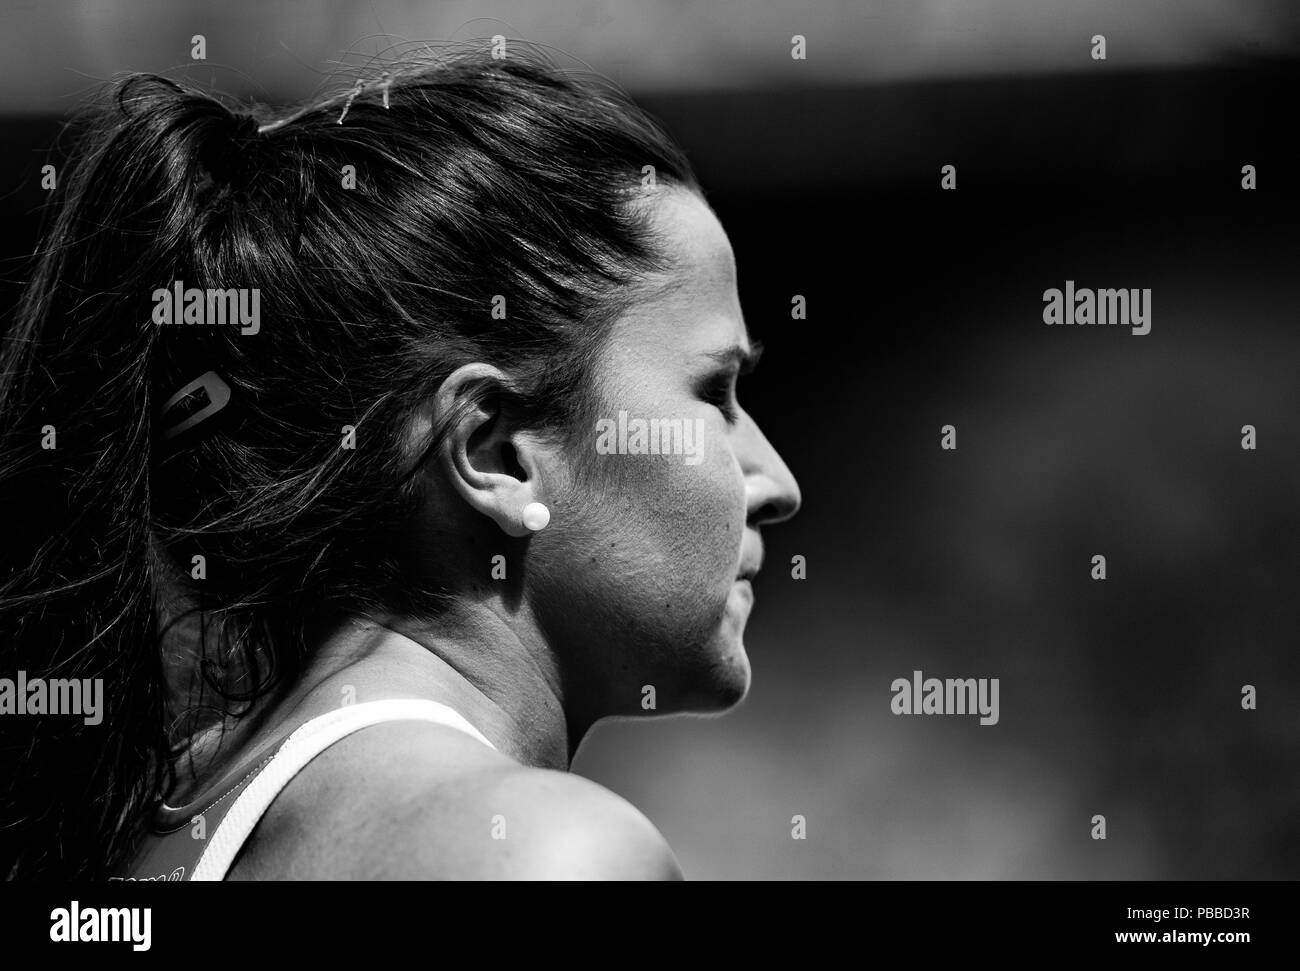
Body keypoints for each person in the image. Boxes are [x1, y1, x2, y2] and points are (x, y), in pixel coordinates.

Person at [0, 47, 800, 881]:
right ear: (495, 453)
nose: (777, 482)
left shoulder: (163, 829)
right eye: (717, 392)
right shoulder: (542, 851)